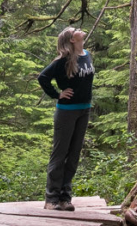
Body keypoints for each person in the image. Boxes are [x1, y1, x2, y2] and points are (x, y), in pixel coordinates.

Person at [37, 26, 95, 211]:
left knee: (74, 155)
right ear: (71, 39)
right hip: (66, 112)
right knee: (60, 154)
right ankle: (51, 199)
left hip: (84, 110)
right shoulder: (63, 60)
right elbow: (43, 77)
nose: (80, 29)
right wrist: (57, 94)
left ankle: (65, 198)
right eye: (76, 29)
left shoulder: (86, 54)